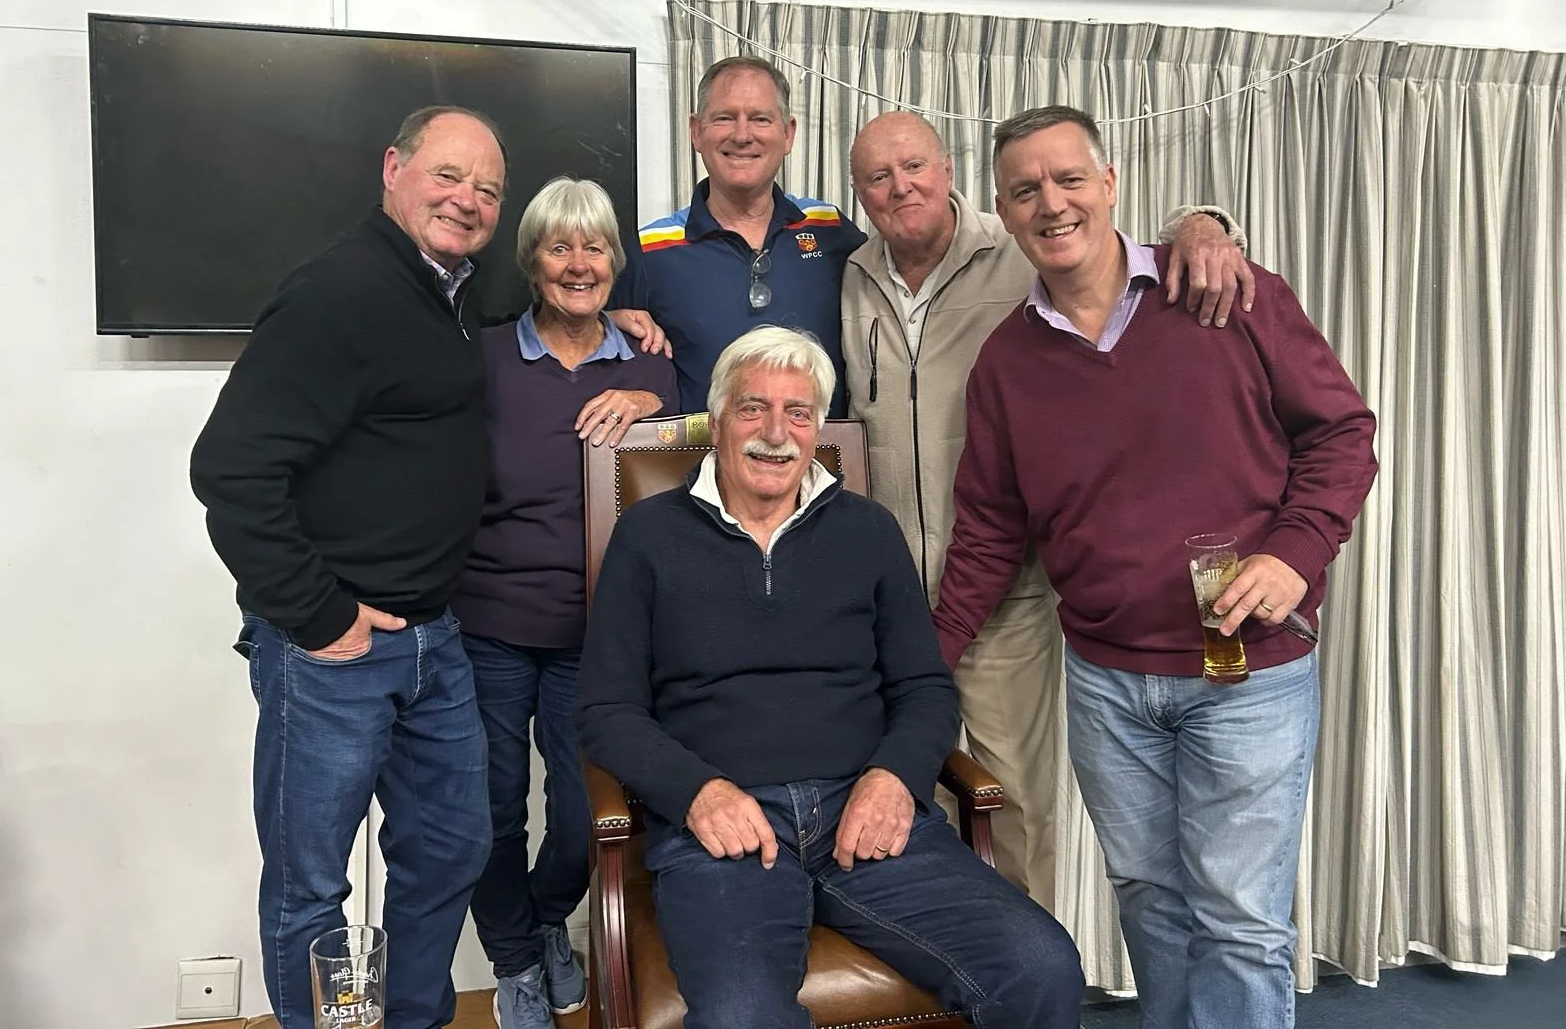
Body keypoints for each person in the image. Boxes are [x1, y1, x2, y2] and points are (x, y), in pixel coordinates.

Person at [933, 105, 1377, 1029]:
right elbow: (986, 533)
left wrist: (1297, 555)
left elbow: (1342, 433)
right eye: (1025, 191)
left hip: (1249, 675)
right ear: (1005, 217)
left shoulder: (1227, 292)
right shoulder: (1007, 364)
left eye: (1067, 179)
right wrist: (921, 663)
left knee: (1242, 925)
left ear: (1110, 185)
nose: (1050, 203)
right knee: (1151, 904)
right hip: (1106, 682)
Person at [577, 326, 1085, 1029]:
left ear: (818, 427)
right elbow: (606, 708)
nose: (775, 433)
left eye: (798, 412)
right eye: (753, 408)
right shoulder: (648, 535)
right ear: (718, 420)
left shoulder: (868, 532)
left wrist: (895, 780)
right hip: (728, 832)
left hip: (867, 814)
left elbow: (924, 688)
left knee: (1041, 967)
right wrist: (697, 794)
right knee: (740, 1019)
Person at [840, 109, 1253, 905]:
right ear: (858, 195)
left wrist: (1204, 225)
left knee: (1011, 807)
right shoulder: (849, 274)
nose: (901, 188)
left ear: (950, 170)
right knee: (895, 804)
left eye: (915, 166)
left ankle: (1021, 983)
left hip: (1003, 595)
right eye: (878, 178)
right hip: (883, 602)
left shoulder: (1020, 245)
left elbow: (1121, 243)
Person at [190, 106, 505, 1029]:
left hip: (434, 640)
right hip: (332, 654)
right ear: (394, 169)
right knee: (310, 884)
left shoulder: (448, 293)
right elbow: (230, 469)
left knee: (450, 848)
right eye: (448, 176)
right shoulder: (340, 291)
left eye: (487, 188)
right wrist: (319, 617)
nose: (468, 200)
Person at [451, 176, 677, 1029]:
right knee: (488, 810)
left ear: (616, 263)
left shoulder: (653, 358)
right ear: (531, 260)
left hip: (604, 638)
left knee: (590, 817)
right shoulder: (484, 358)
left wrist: (656, 400)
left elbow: (701, 449)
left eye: (594, 247)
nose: (578, 264)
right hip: (489, 630)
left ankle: (548, 918)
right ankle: (515, 957)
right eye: (558, 246)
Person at [611, 56, 865, 414]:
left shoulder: (831, 229)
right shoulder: (649, 251)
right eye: (724, 118)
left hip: (823, 463)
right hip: (700, 465)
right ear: (696, 131)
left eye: (760, 118)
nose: (742, 135)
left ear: (788, 133)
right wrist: (606, 319)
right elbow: (582, 335)